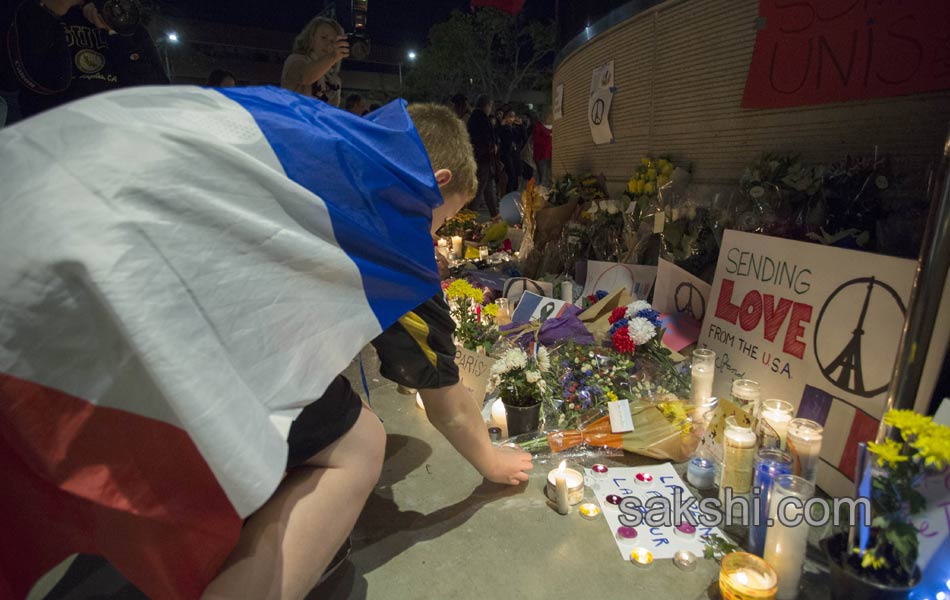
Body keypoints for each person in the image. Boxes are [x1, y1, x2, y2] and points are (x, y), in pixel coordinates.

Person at [0, 88, 531, 599]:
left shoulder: (304, 121)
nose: (433, 239)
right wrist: (491, 463)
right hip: (101, 290)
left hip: (31, 196)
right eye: (442, 219)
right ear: (434, 182)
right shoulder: (390, 208)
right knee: (358, 443)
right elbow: (445, 398)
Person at [4, 0, 168, 118]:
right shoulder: (28, 10)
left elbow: (156, 95)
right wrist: (48, 12)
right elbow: (10, 82)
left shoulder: (129, 26)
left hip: (116, 144)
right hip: (52, 143)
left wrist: (115, 31)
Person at [281, 15, 348, 107]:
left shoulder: (334, 80)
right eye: (324, 37)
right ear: (311, 39)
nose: (328, 43)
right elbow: (305, 77)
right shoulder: (295, 60)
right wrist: (333, 57)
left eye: (333, 41)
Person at [466, 94, 498, 218]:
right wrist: (491, 146)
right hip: (483, 158)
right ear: (487, 105)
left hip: (479, 157)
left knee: (487, 188)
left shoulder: (474, 117)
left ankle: (494, 215)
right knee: (480, 189)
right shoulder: (482, 118)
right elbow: (486, 137)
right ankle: (470, 217)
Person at [533, 108, 553, 187]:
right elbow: (536, 139)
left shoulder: (555, 125)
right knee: (543, 176)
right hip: (542, 155)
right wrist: (549, 138)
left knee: (551, 175)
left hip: (552, 154)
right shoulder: (538, 125)